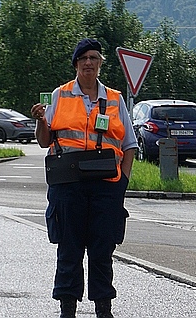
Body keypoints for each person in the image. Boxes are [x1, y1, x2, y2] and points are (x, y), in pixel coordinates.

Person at [31, 38, 137, 318]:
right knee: (69, 248)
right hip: (68, 185)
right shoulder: (59, 95)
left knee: (102, 251)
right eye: (83, 59)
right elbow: (44, 142)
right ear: (76, 64)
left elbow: (129, 145)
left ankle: (104, 308)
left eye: (94, 58)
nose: (89, 63)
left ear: (101, 63)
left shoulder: (114, 99)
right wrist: (41, 120)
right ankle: (67, 308)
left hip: (106, 187)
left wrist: (122, 184)